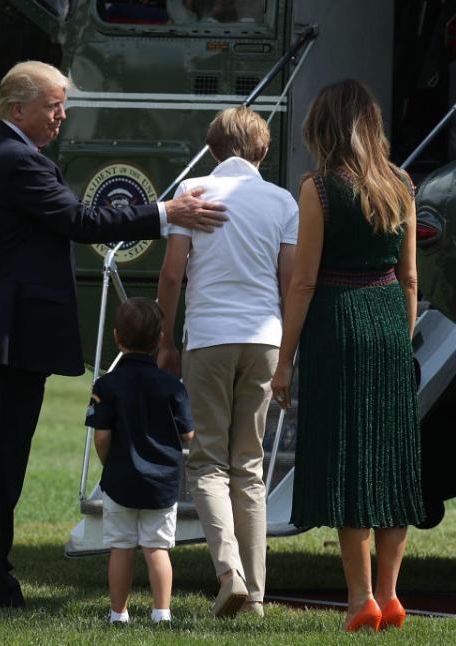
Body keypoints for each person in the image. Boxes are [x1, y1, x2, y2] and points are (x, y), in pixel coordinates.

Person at [0, 60, 226, 610]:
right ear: (19, 109)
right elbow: (82, 222)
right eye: (53, 106)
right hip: (2, 339)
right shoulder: (16, 159)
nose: (62, 116)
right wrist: (166, 211)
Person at [270, 79, 425, 632]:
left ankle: (360, 598)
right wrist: (399, 340)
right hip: (387, 324)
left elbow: (304, 283)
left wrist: (284, 361)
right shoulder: (403, 184)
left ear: (323, 127)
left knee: (349, 462)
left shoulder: (319, 188)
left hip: (337, 324)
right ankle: (391, 594)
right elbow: (409, 278)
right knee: (391, 463)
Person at [157, 106, 298, 617]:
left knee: (207, 464)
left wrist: (166, 340)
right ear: (263, 152)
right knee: (250, 466)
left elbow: (173, 275)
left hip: (209, 338)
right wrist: (288, 353)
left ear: (214, 150)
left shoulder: (192, 192)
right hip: (264, 340)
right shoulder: (282, 200)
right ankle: (257, 595)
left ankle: (228, 573)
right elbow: (288, 282)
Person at [85, 297, 194, 624]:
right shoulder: (173, 386)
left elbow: (101, 437)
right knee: (156, 549)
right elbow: (188, 435)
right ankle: (162, 612)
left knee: (122, 548)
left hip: (120, 479)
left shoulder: (105, 385)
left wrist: (110, 464)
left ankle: (118, 613)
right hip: (162, 483)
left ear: (117, 337)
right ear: (160, 338)